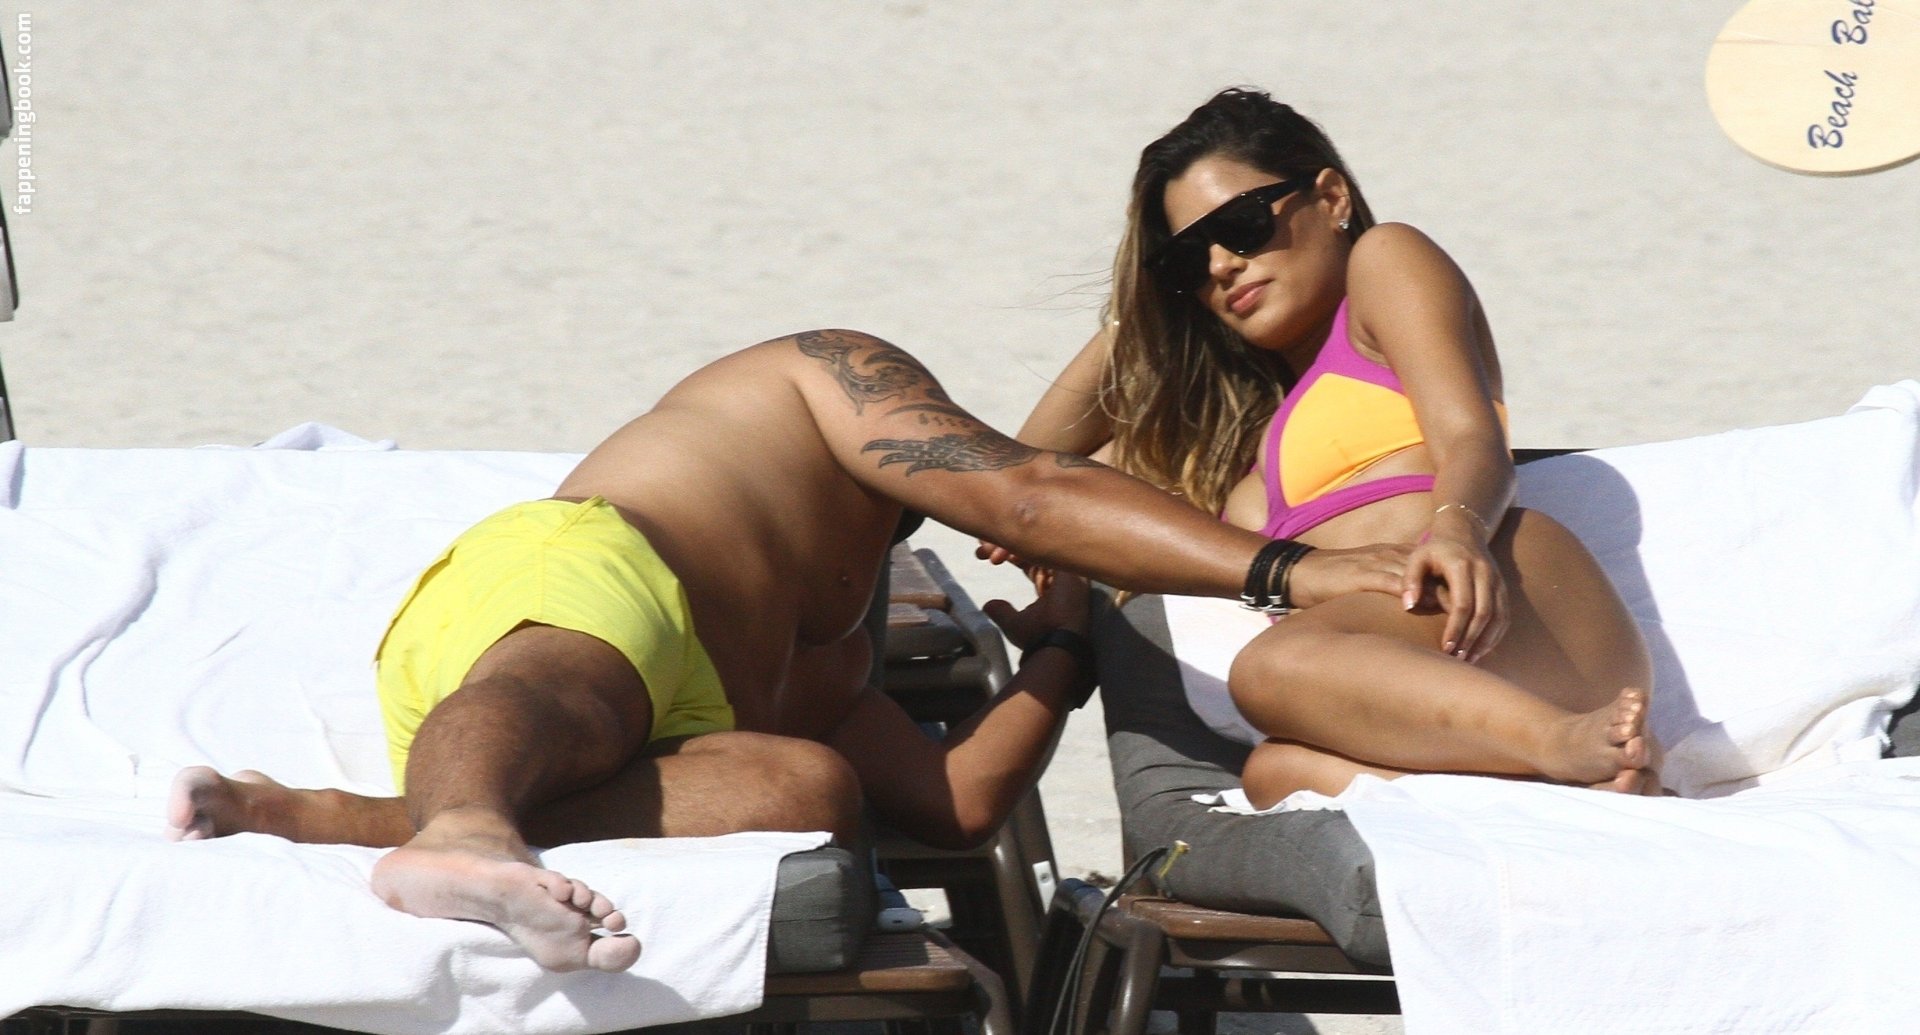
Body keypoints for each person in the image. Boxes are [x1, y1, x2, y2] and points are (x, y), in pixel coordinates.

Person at [167, 328, 1417, 972]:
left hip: (644, 716)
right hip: (591, 580)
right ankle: (466, 829)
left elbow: (957, 803)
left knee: (809, 790)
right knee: (580, 690)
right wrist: (1285, 569)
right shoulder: (834, 373)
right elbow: (1032, 485)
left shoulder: (831, 656)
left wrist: (1063, 649)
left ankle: (343, 821)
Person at [999, 88, 1659, 810]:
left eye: (1242, 226)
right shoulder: (1236, 432)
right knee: (1274, 771)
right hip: (1394, 665)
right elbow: (1018, 472)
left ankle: (1559, 743)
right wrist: (1151, 303)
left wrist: (1458, 531)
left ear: (1332, 197)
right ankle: (1581, 790)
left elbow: (1470, 435)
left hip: (1509, 600)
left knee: (1268, 671)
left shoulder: (1385, 264)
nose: (1221, 265)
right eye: (1189, 259)